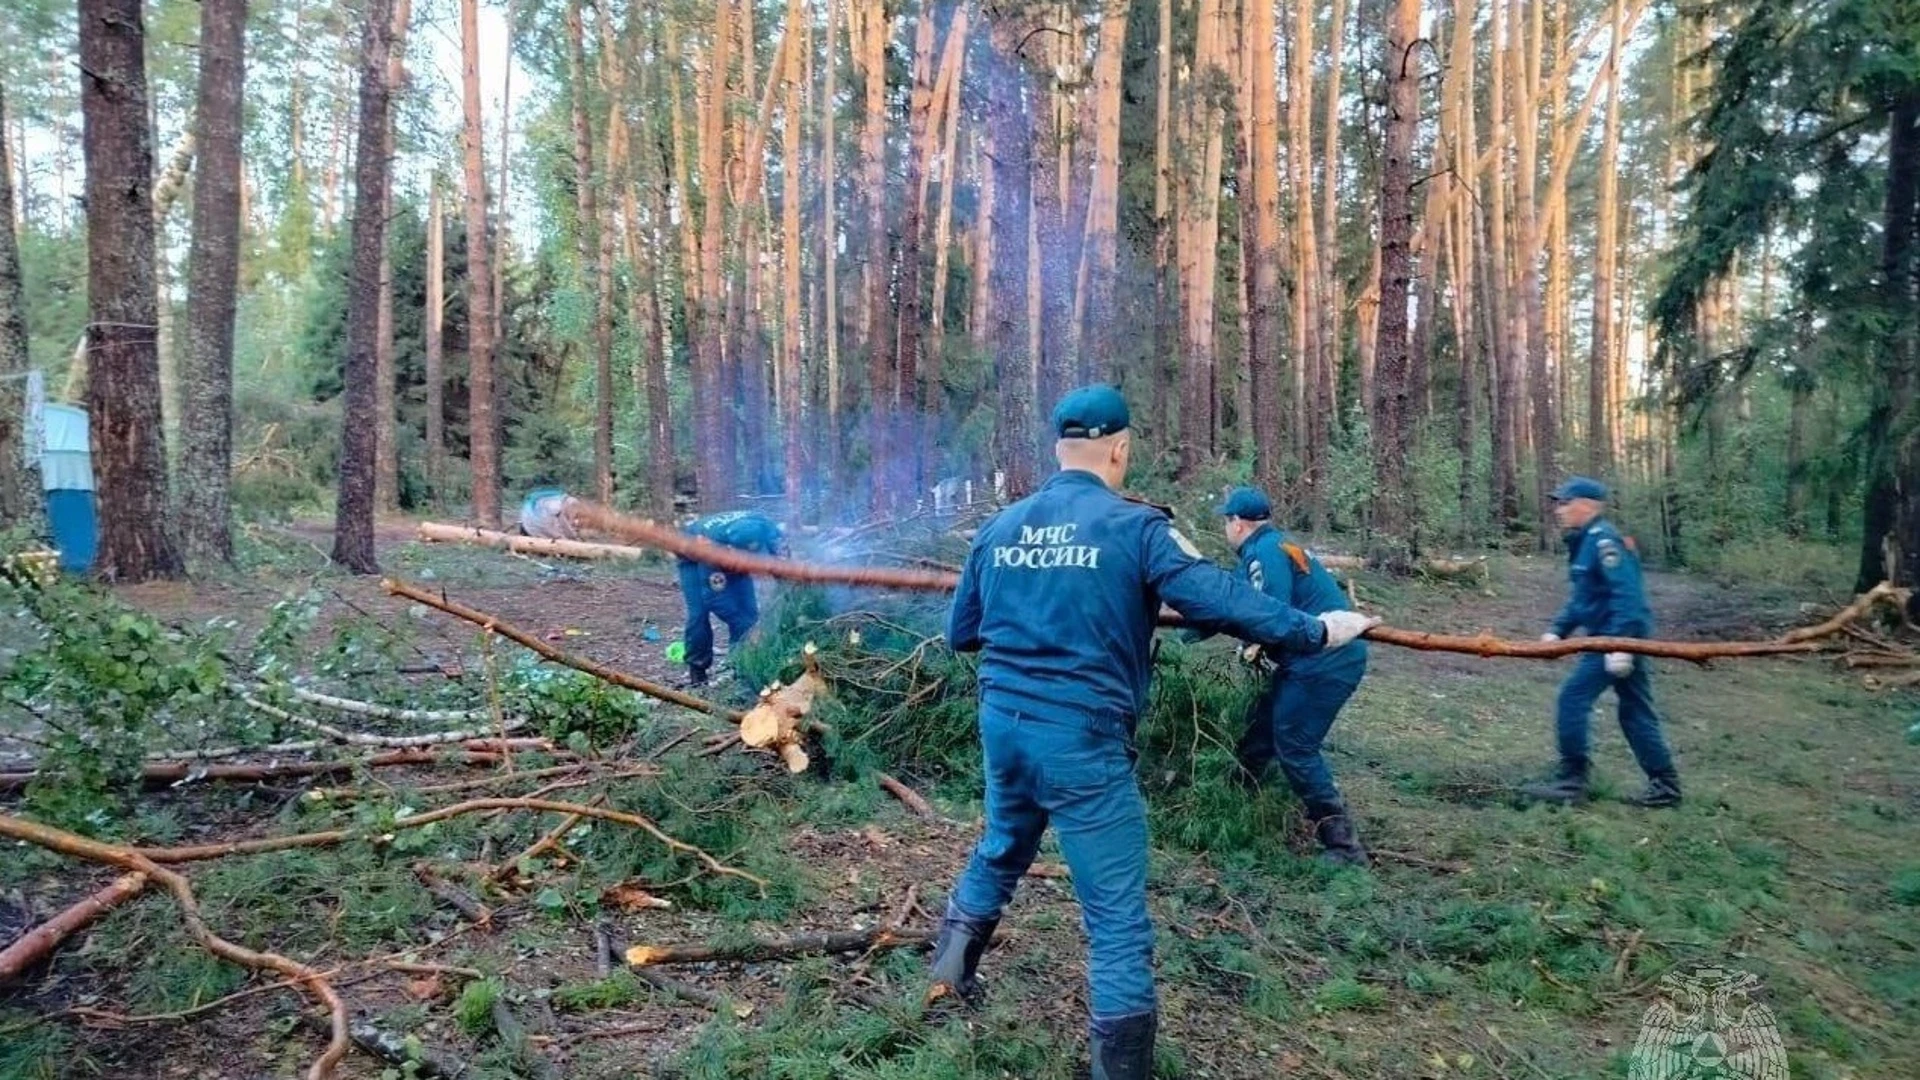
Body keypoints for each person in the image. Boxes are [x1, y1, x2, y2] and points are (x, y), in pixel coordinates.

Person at [926, 386, 1377, 1080]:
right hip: (1082, 739)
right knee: (1115, 917)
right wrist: (1314, 632)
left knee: (1000, 846)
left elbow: (962, 633)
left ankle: (947, 979)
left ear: (1058, 448)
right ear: (1121, 448)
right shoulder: (1137, 527)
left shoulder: (1002, 525)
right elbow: (1215, 598)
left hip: (1004, 727)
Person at [1192, 485, 1372, 865]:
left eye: (1227, 522)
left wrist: (1251, 640)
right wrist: (1188, 631)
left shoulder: (1265, 553)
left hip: (1325, 660)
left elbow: (1267, 611)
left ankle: (1343, 846)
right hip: (1313, 657)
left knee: (1295, 746)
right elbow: (1233, 601)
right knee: (1260, 728)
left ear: (1237, 523)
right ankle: (1236, 806)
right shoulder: (1271, 547)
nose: (1227, 529)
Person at [1522, 477, 1681, 808]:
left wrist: (1620, 644)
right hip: (1610, 638)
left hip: (1616, 638)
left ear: (1588, 506)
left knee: (1572, 699)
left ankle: (1571, 782)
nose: (1559, 510)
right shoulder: (1584, 542)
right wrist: (1557, 630)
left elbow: (1628, 596)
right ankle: (1666, 788)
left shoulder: (1605, 541)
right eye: (1558, 503)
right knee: (1635, 711)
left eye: (1565, 503)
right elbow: (1584, 599)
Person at [675, 510, 786, 688]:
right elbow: (715, 598)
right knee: (699, 613)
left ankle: (741, 667)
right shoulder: (708, 549)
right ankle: (698, 672)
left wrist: (788, 591)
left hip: (728, 549)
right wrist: (743, 625)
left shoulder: (769, 529)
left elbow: (784, 561)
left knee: (749, 612)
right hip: (691, 555)